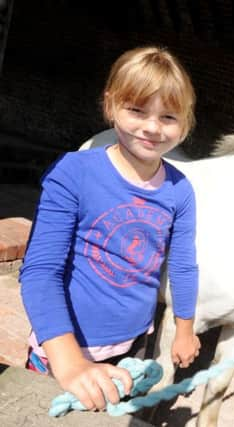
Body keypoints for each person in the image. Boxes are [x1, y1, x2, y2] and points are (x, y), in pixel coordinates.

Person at [20, 46, 201, 411]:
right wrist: (70, 363)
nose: (152, 127)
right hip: (64, 344)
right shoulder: (74, 172)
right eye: (137, 110)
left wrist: (184, 330)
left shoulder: (180, 190)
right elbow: (41, 271)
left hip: (131, 345)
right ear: (111, 105)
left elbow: (182, 266)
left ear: (186, 122)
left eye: (168, 116)